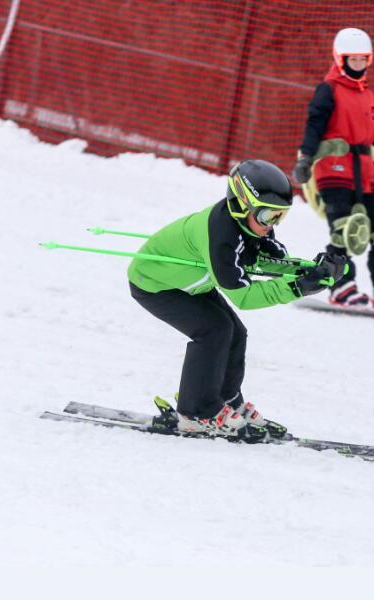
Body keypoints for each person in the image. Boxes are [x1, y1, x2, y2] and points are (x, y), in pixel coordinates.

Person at [127, 159, 346, 438]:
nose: (272, 224)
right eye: (269, 216)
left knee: (235, 333)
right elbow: (244, 296)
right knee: (213, 331)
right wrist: (298, 287)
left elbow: (268, 259)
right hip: (155, 284)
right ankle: (196, 413)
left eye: (280, 216)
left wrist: (310, 270)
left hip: (190, 284)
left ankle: (227, 401)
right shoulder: (221, 237)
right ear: (242, 205)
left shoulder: (250, 224)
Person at [293, 27, 374, 309]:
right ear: (340, 59)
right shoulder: (329, 89)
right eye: (353, 59)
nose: (358, 64)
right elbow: (314, 125)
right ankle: (341, 287)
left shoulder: (370, 95)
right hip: (334, 171)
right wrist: (305, 158)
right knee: (345, 230)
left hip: (367, 174)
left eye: (363, 59)